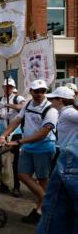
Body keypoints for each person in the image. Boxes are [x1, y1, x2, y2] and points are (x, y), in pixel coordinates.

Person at [0, 79, 58, 224]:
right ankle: (46, 201)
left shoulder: (51, 109)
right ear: (30, 91)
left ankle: (40, 209)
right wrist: (3, 135)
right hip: (28, 147)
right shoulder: (28, 104)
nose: (39, 94)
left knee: (42, 179)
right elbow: (16, 120)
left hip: (44, 148)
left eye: (43, 91)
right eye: (36, 91)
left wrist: (18, 142)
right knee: (22, 174)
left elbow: (43, 133)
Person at [37, 86, 78, 233]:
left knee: (57, 195)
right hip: (66, 153)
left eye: (53, 98)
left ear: (60, 100)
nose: (50, 101)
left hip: (68, 156)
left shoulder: (68, 113)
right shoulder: (65, 112)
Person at [0, 78, 25, 197]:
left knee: (16, 162)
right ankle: (4, 184)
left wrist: (8, 105)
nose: (7, 88)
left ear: (13, 88)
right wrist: (1, 115)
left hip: (15, 132)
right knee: (1, 160)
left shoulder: (18, 98)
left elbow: (22, 107)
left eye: (10, 86)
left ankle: (16, 186)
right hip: (0, 132)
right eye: (5, 86)